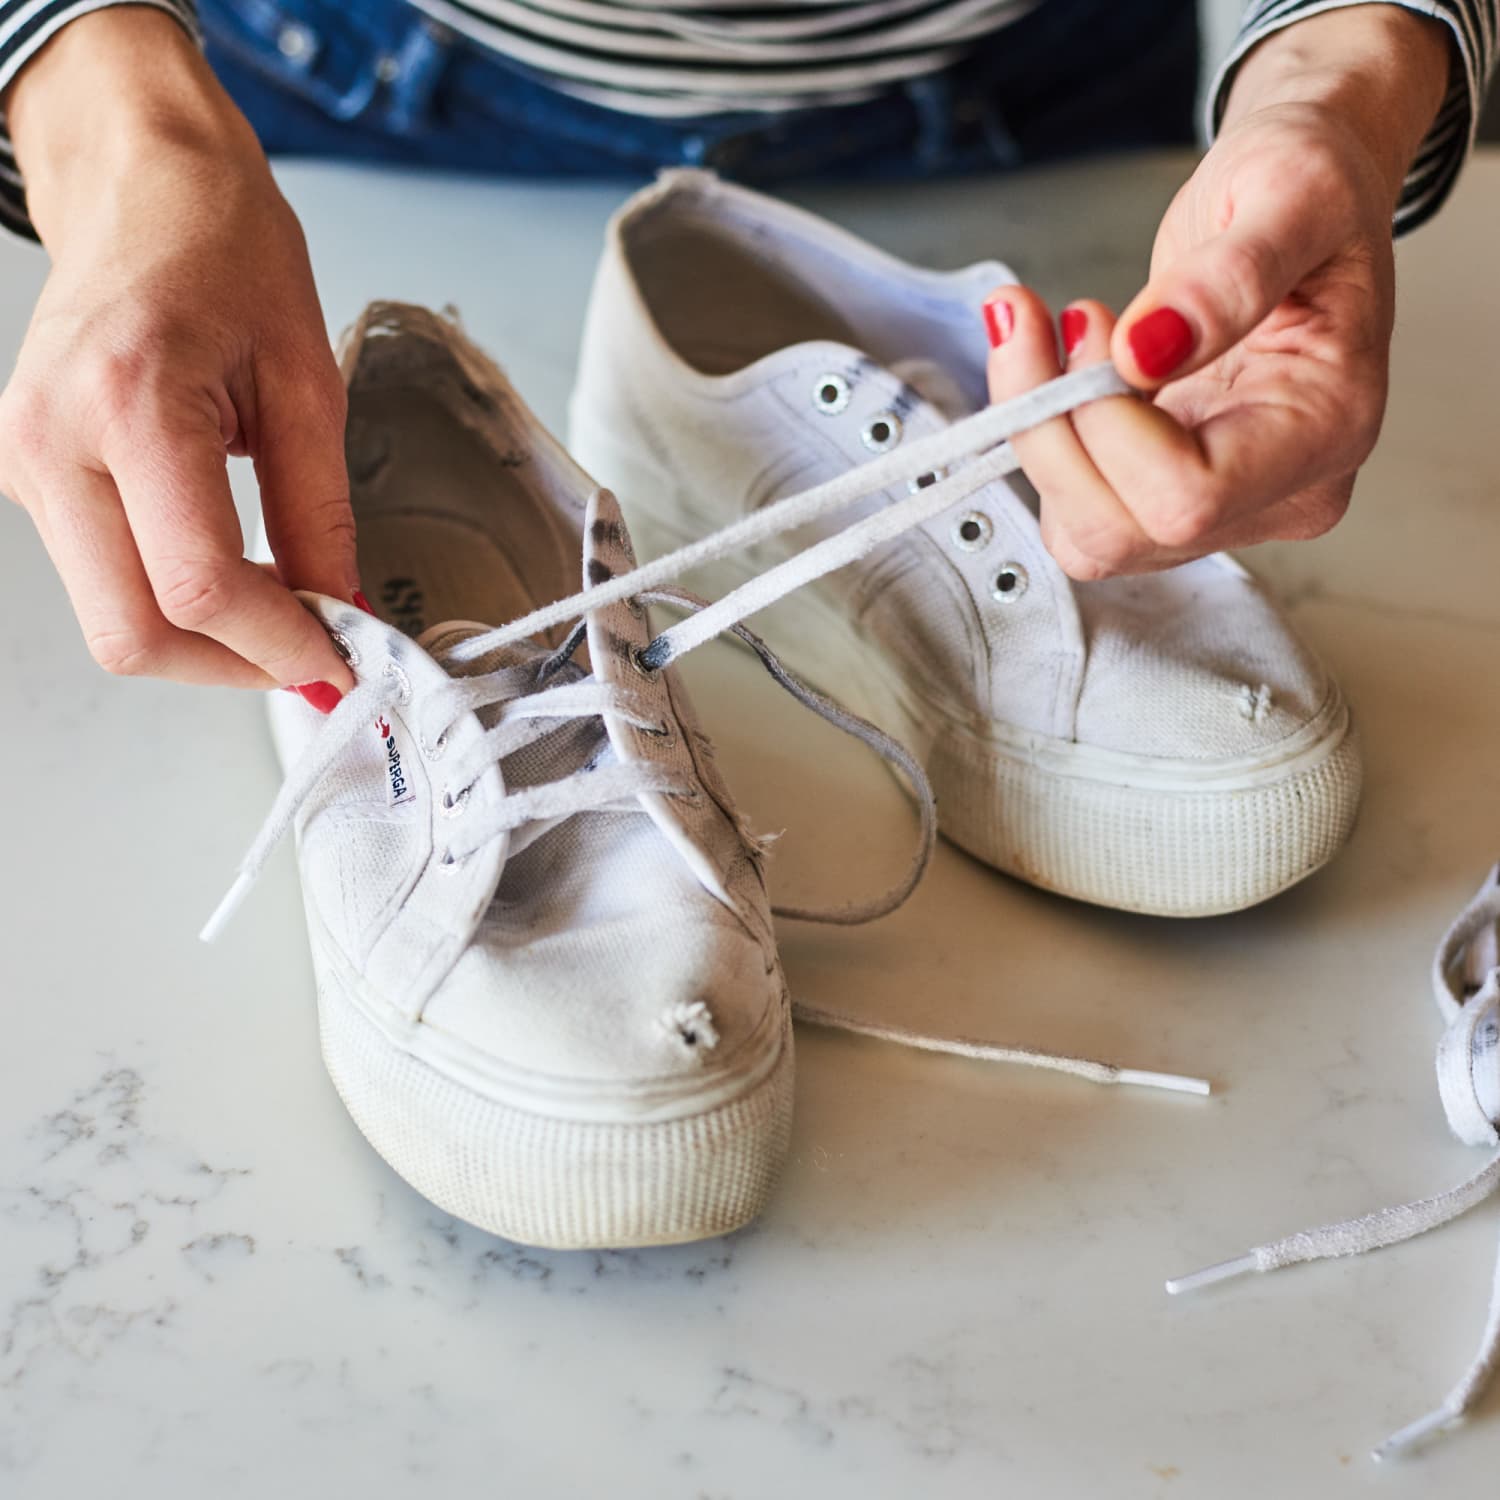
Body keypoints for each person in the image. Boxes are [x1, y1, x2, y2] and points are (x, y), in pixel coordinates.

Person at [0, 0, 1487, 710]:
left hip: (1080, 59)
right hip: (311, 61)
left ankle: (690, 405)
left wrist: (1338, 73)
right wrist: (110, 117)